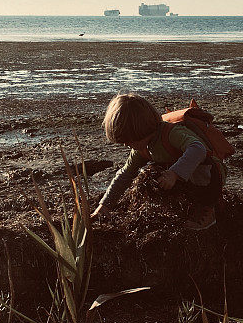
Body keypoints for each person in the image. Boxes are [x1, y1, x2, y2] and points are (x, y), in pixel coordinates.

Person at [90, 93, 225, 230]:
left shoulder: (171, 133)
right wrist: (105, 205)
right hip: (185, 177)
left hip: (211, 174)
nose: (126, 145)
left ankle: (208, 210)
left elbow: (198, 150)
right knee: (150, 172)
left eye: (129, 141)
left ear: (141, 131)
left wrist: (174, 174)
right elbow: (125, 174)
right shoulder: (142, 147)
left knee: (199, 169)